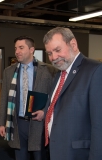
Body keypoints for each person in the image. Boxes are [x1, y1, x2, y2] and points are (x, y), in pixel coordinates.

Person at [43, 27, 102, 160]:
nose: (54, 57)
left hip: (78, 154)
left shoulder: (95, 71)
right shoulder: (60, 73)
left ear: (73, 44)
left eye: (58, 50)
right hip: (57, 150)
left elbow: (99, 125)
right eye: (50, 53)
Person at [0, 36, 58, 160]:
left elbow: (55, 97)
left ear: (31, 49)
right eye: (15, 48)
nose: (17, 51)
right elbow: (4, 98)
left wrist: (45, 112)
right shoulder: (9, 72)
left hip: (38, 122)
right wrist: (1, 123)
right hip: (17, 123)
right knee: (20, 156)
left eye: (21, 48)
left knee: (39, 156)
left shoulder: (48, 70)